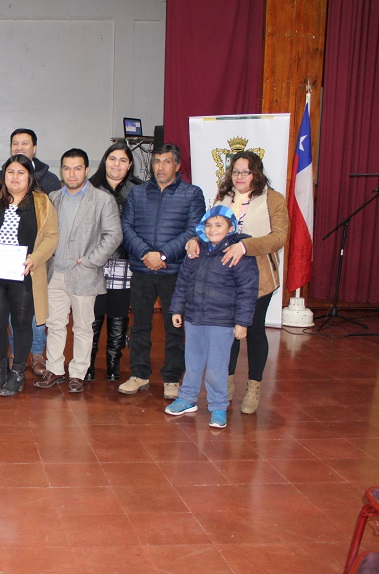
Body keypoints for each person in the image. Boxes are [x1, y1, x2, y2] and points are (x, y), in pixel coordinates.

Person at [186, 151, 288, 414]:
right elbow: (210, 230)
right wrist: (195, 240)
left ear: (257, 173)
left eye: (245, 171)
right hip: (223, 278)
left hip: (259, 277)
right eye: (235, 172)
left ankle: (253, 386)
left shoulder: (273, 199)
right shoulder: (223, 198)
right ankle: (226, 382)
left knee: (252, 331)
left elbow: (279, 237)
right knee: (225, 332)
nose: (239, 177)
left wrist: (245, 246)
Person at [119, 144, 205, 399]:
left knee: (174, 327)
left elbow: (194, 230)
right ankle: (139, 374)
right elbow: (126, 227)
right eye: (156, 161)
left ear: (177, 166)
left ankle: (171, 378)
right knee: (139, 326)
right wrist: (147, 255)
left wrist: (164, 255)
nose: (160, 167)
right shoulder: (137, 192)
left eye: (167, 162)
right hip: (142, 269)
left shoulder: (192, 194)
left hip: (175, 271)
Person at [35, 148, 122, 394]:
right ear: (61, 171)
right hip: (55, 273)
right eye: (66, 168)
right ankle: (55, 369)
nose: (71, 173)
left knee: (83, 327)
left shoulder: (102, 200)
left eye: (77, 168)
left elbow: (114, 234)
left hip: (84, 273)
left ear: (86, 170)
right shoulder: (52, 198)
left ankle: (78, 373)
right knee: (54, 324)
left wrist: (92, 260)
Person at [0, 154, 59, 397]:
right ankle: (1, 370)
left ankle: (18, 372)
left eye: (21, 172)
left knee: (21, 324)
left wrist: (34, 259)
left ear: (29, 177)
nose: (15, 177)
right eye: (10, 172)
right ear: (3, 175)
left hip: (25, 273)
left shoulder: (41, 202)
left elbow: (52, 236)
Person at [165, 206, 259, 428]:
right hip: (194, 318)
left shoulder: (238, 254)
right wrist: (177, 309)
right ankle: (187, 399)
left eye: (219, 225)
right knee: (193, 361)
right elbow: (183, 282)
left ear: (231, 228)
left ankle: (218, 406)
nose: (213, 229)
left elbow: (248, 290)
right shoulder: (196, 250)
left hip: (222, 321)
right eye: (208, 225)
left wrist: (242, 322)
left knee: (217, 366)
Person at [0, 128, 61, 376]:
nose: (20, 147)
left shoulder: (50, 179)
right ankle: (15, 351)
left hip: (36, 259)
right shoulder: (0, 177)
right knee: (10, 307)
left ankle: (36, 352)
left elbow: (51, 226)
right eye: (15, 143)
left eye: (25, 143)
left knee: (34, 307)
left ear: (35, 148)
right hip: (4, 260)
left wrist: (37, 256)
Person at [85, 142, 143, 382]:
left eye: (122, 160)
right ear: (104, 161)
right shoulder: (90, 188)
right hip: (95, 259)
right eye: (112, 159)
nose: (116, 164)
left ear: (129, 165)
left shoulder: (140, 190)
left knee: (119, 313)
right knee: (93, 313)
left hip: (125, 260)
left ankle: (113, 363)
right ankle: (87, 363)